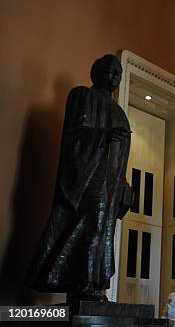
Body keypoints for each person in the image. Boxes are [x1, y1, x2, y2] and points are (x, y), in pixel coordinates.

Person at [28, 54, 134, 301]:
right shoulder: (82, 96)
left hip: (110, 182)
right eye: (110, 70)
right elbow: (74, 134)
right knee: (91, 225)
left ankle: (96, 285)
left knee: (105, 231)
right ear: (96, 72)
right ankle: (80, 284)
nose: (115, 76)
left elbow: (119, 157)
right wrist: (102, 136)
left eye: (118, 72)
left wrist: (124, 183)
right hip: (89, 176)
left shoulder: (120, 112)